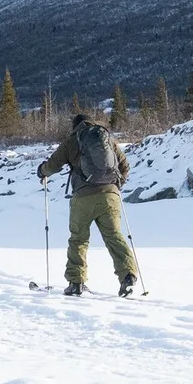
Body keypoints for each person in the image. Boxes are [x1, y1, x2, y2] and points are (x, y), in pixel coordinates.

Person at [37, 112, 138, 297]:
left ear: (75, 126)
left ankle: (76, 283)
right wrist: (115, 185)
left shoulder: (73, 140)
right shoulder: (107, 138)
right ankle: (128, 276)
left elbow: (53, 165)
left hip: (83, 197)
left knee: (79, 239)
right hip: (110, 195)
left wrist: (41, 171)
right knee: (114, 236)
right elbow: (125, 166)